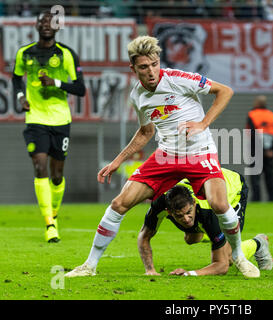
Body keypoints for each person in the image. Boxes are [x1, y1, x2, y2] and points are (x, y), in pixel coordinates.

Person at [65, 36, 259, 278]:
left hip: (200, 153)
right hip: (166, 157)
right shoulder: (138, 95)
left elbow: (225, 91)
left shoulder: (178, 79)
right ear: (133, 68)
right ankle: (89, 266)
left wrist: (203, 123)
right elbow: (146, 132)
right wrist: (118, 161)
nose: (151, 71)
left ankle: (239, 255)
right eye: (144, 67)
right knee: (118, 204)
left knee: (220, 204)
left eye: (155, 64)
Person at [12, 11, 86, 242]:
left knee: (56, 175)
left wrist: (55, 82)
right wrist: (20, 97)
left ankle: (54, 213)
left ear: (57, 27)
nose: (45, 25)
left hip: (60, 120)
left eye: (50, 22)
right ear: (36, 25)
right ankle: (49, 223)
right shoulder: (25, 53)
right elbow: (15, 79)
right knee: (39, 164)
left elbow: (80, 89)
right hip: (35, 119)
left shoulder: (66, 54)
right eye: (41, 21)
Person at [138, 168, 273, 276]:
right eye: (179, 216)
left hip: (233, 187)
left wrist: (190, 274)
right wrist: (150, 270)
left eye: (188, 212)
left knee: (229, 257)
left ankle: (259, 243)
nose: (185, 219)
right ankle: (215, 237)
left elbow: (222, 266)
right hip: (206, 193)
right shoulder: (159, 205)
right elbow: (144, 236)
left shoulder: (207, 212)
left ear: (194, 203)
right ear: (168, 211)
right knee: (191, 239)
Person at [246, 95, 273, 202]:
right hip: (270, 151)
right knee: (270, 176)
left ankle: (256, 199)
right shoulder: (272, 116)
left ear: (257, 103)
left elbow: (252, 133)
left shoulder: (252, 115)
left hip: (256, 151)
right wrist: (272, 150)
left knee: (255, 177)